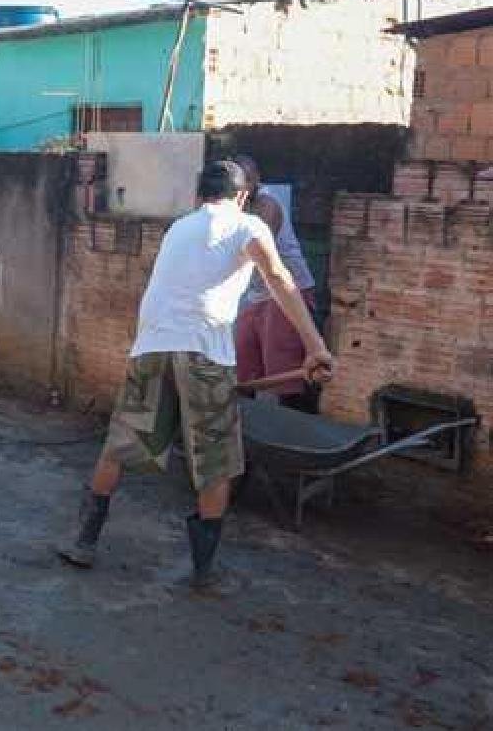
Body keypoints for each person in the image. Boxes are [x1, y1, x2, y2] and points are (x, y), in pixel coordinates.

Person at [57, 161, 334, 591]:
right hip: (204, 353)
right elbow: (280, 280)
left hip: (151, 347)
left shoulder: (178, 228)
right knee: (215, 462)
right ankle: (204, 572)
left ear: (199, 194)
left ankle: (84, 542)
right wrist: (315, 345)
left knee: (120, 446)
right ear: (242, 196)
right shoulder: (248, 226)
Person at [232, 155, 319, 412]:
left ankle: (291, 432)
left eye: (246, 180)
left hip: (287, 292)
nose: (242, 189)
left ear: (255, 180)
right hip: (257, 295)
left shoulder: (267, 203)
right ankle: (249, 432)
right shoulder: (231, 208)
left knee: (284, 373)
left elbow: (255, 251)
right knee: (243, 367)